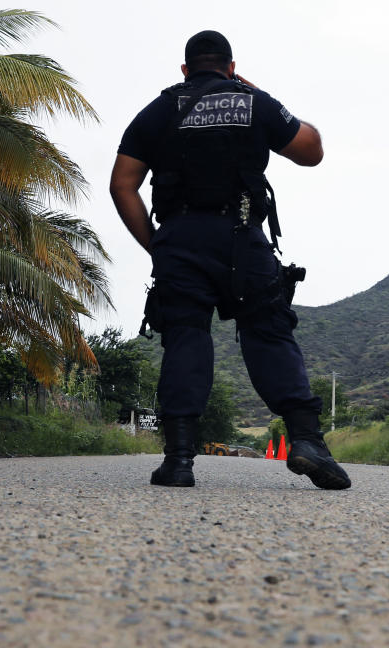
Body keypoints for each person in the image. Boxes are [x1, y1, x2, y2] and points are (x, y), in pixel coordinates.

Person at [109, 30, 350, 490]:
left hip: (179, 239)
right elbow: (311, 151)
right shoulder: (252, 103)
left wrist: (156, 245)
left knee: (185, 338)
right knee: (269, 332)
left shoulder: (159, 110)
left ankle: (179, 459)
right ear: (231, 67)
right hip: (242, 236)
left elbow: (123, 184)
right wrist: (256, 94)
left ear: (185, 69)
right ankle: (307, 441)